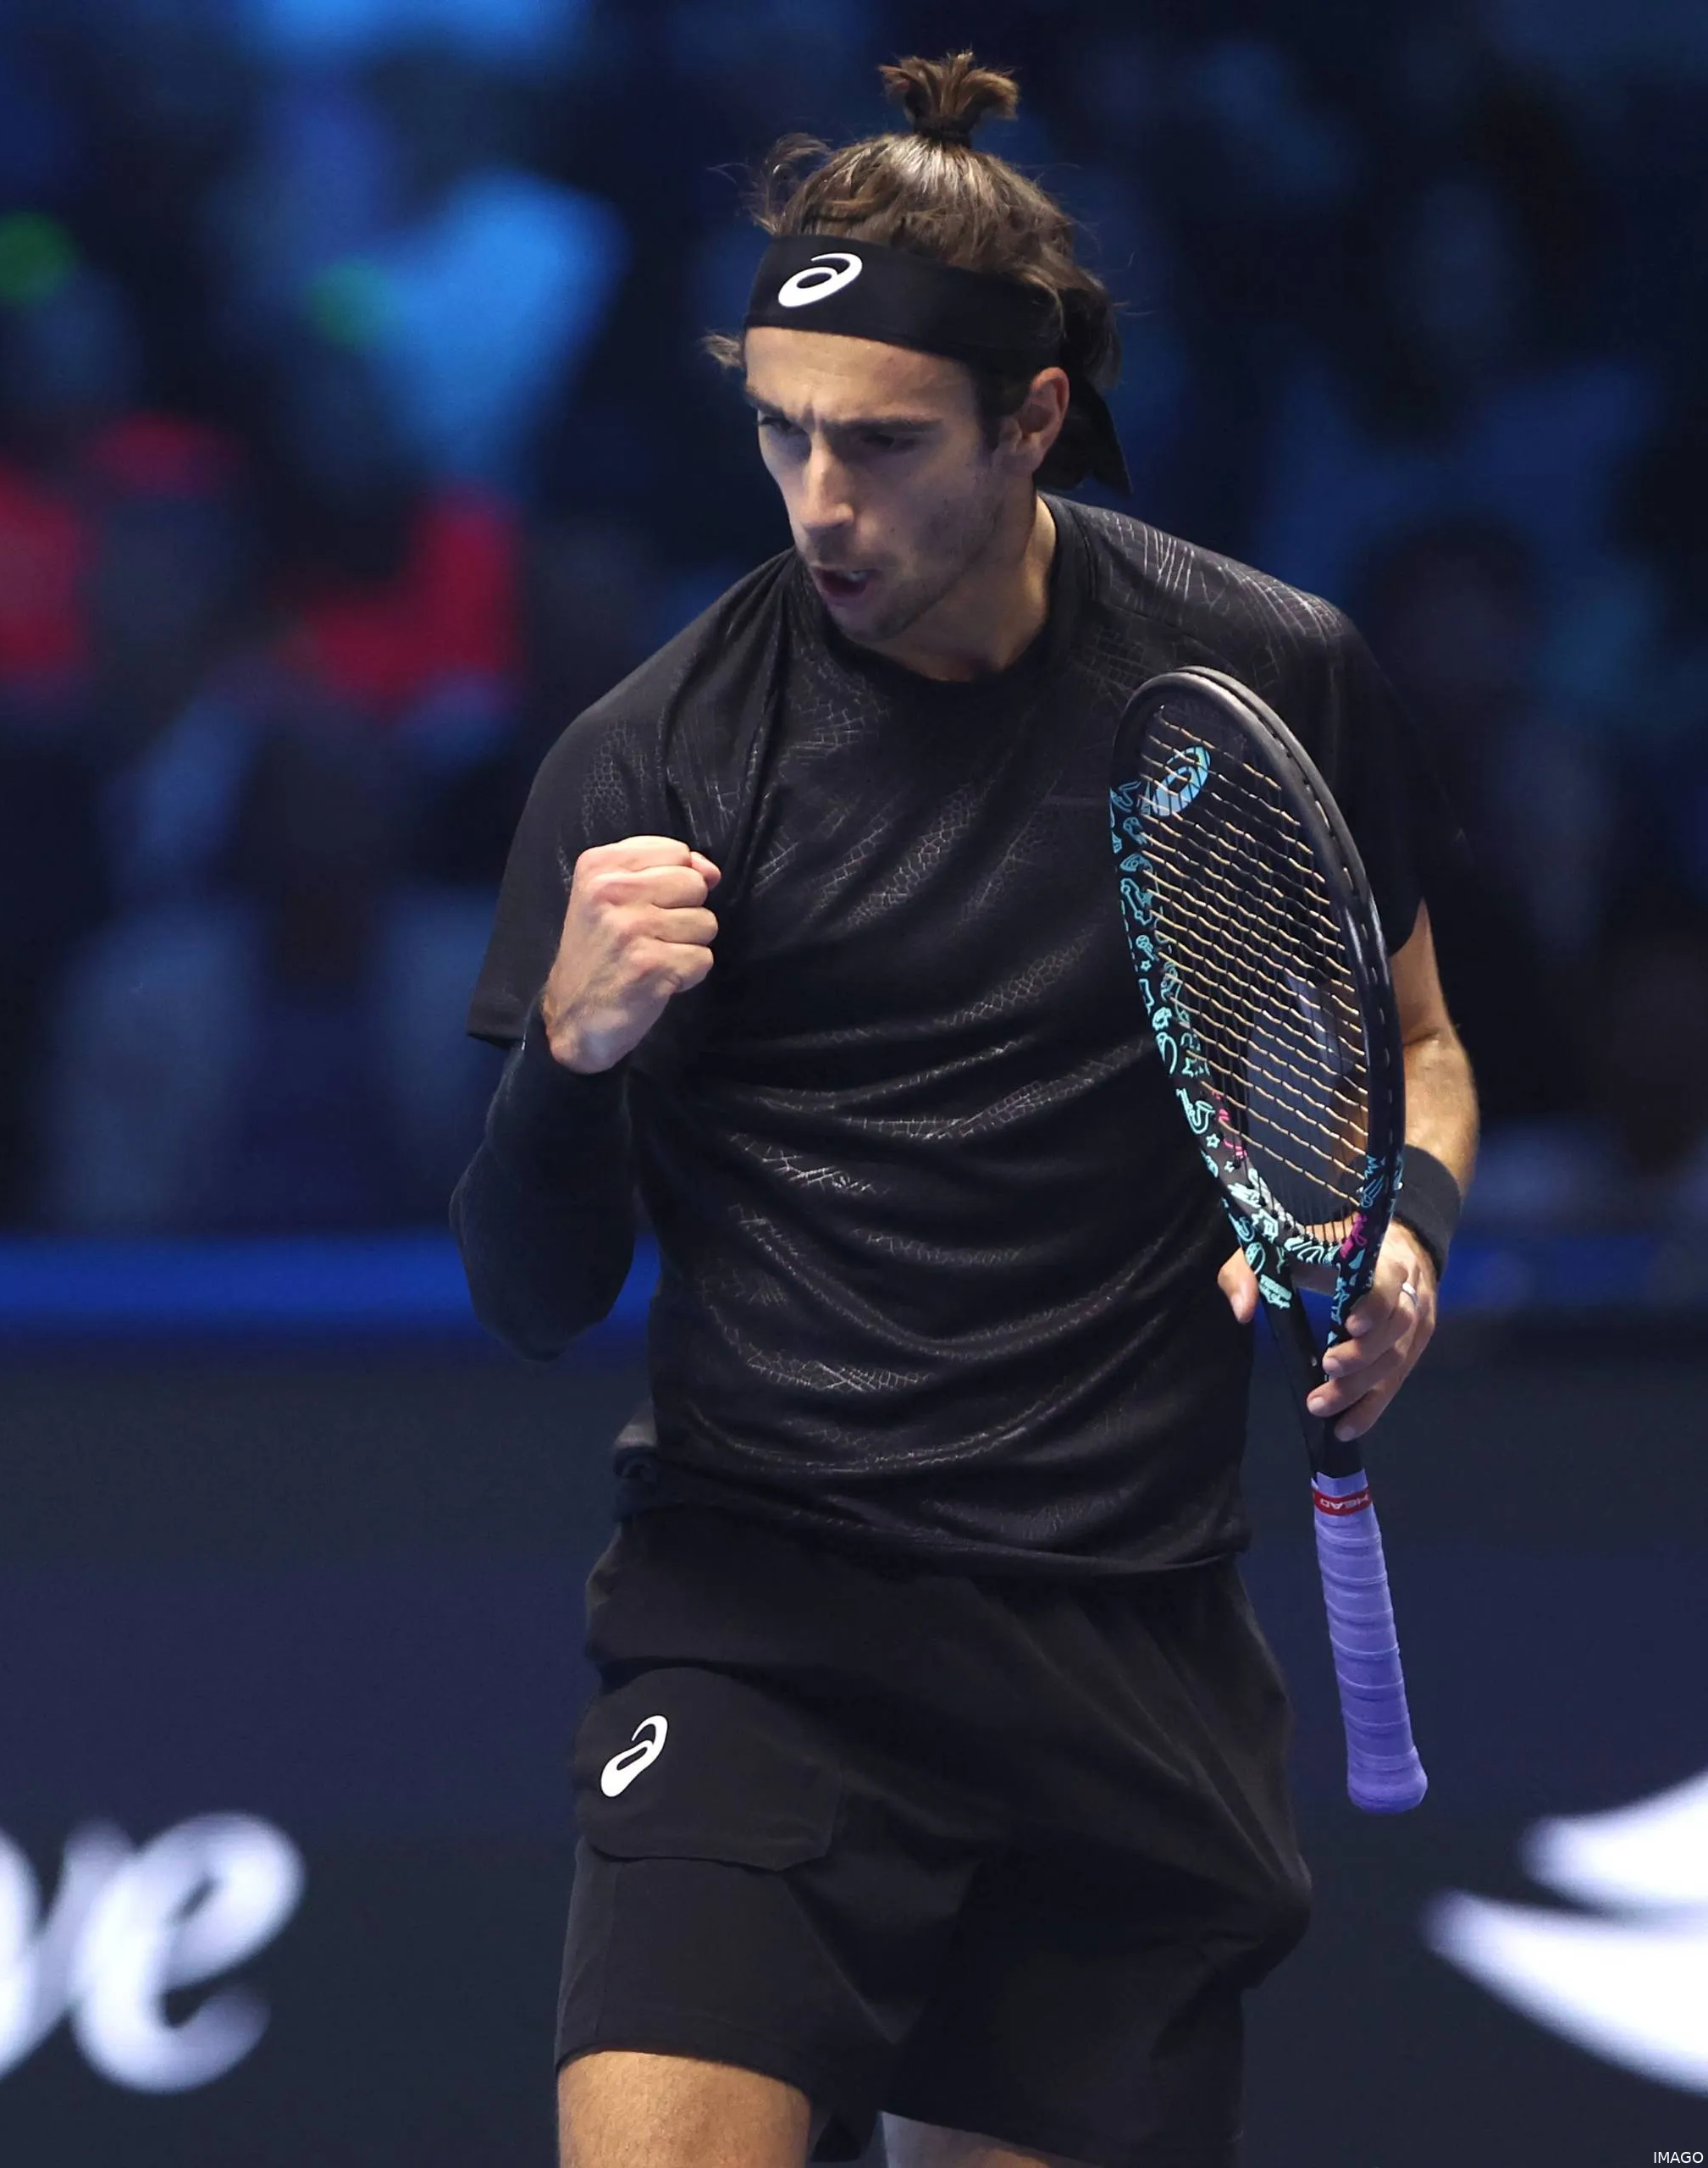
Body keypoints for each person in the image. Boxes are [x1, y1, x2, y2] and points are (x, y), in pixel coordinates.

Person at [452, 56, 1481, 2168]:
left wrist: (1406, 1230)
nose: (820, 501)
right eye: (779, 429)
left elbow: (1423, 1056)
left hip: (1126, 1641)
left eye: (884, 443)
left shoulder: (1264, 673)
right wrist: (568, 1059)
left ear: (1031, 424)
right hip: (767, 1632)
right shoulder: (651, 765)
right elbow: (532, 1290)